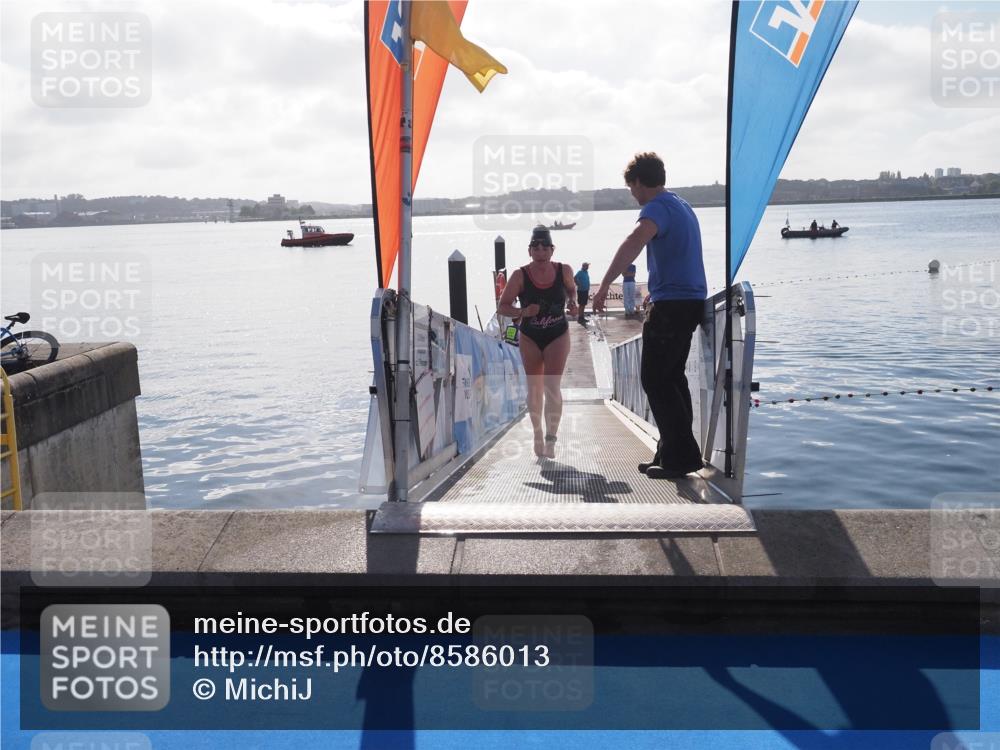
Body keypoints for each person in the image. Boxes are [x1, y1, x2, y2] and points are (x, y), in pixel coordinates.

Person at [593, 152, 707, 479]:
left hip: (672, 304)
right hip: (689, 300)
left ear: (640, 182)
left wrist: (604, 287)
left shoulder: (656, 208)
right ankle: (673, 451)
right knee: (672, 378)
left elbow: (634, 242)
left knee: (655, 379)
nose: (633, 195)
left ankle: (680, 457)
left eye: (632, 188)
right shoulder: (681, 205)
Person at [497, 226, 579, 459]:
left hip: (557, 334)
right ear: (530, 251)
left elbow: (572, 290)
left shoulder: (564, 270)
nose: (541, 251)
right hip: (531, 336)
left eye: (545, 247)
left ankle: (551, 439)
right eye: (536, 247)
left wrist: (572, 303)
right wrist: (523, 311)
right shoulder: (519, 275)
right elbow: (502, 308)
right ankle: (537, 433)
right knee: (534, 388)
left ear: (552, 250)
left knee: (552, 387)